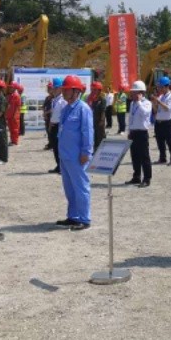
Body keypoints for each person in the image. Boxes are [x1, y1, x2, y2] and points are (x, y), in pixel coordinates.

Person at [56, 75, 94, 230]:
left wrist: (86, 152)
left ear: (76, 91)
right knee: (69, 188)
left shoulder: (83, 109)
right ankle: (73, 216)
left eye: (67, 90)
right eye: (63, 90)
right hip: (65, 155)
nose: (64, 92)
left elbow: (88, 132)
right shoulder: (66, 109)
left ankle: (84, 219)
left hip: (78, 156)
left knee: (81, 187)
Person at [126, 80, 153, 187]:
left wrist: (139, 102)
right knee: (135, 156)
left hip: (142, 133)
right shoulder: (132, 103)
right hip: (134, 133)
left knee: (144, 157)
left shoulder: (147, 103)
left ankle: (147, 178)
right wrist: (129, 131)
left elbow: (145, 114)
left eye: (135, 92)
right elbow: (131, 118)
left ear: (141, 93)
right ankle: (136, 176)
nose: (132, 94)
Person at [152, 76, 171, 166]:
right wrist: (154, 103)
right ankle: (162, 158)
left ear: (166, 86)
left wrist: (158, 102)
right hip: (159, 122)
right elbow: (156, 110)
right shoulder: (161, 96)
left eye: (161, 87)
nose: (159, 89)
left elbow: (167, 108)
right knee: (160, 141)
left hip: (167, 122)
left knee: (169, 141)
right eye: (159, 87)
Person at [48, 77, 65, 172]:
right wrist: (50, 124)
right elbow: (53, 114)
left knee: (59, 147)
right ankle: (58, 165)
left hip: (59, 126)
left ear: (60, 88)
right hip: (54, 126)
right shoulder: (54, 100)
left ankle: (62, 167)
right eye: (53, 88)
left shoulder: (63, 101)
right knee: (55, 147)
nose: (53, 90)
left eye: (55, 88)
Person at [88, 81, 107, 150]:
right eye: (92, 89)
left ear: (99, 90)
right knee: (93, 141)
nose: (93, 91)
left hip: (99, 124)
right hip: (92, 123)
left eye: (95, 89)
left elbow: (103, 112)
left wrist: (101, 122)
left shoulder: (102, 100)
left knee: (100, 140)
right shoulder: (90, 99)